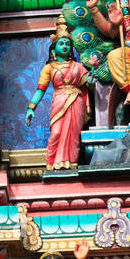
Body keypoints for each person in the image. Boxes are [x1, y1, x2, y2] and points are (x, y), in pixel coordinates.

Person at [26, 20, 89, 170]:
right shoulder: (49, 68)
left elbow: (88, 84)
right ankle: (52, 162)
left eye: (67, 44)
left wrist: (95, 68)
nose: (65, 46)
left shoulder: (78, 67)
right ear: (54, 49)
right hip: (59, 99)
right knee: (56, 132)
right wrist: (31, 108)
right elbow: (41, 89)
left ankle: (71, 162)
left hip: (76, 100)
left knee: (74, 134)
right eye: (62, 43)